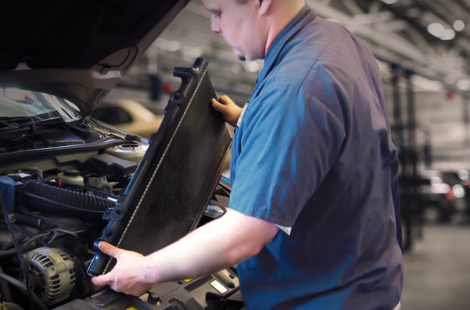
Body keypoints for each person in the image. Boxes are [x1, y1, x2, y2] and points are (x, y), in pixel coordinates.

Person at [92, 0, 403, 309]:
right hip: (362, 279)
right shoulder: (336, 41)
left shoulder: (296, 87)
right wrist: (252, 120)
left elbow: (245, 234)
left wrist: (144, 270)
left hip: (323, 298)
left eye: (218, 12)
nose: (214, 26)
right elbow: (335, 135)